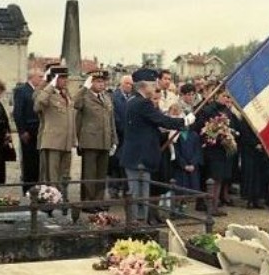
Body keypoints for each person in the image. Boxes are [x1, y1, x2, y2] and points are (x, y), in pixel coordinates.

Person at [120, 68, 195, 224]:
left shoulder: (133, 101)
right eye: (152, 84)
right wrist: (184, 121)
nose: (155, 87)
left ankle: (137, 223)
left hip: (135, 156)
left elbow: (149, 127)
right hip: (139, 158)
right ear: (144, 85)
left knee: (139, 193)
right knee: (139, 194)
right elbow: (161, 120)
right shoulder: (142, 103)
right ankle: (136, 226)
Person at [34, 64, 76, 216]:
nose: (65, 81)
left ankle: (62, 200)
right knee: (51, 176)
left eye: (66, 78)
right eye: (62, 78)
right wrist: (49, 86)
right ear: (54, 79)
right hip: (52, 141)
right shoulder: (47, 94)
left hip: (66, 142)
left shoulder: (67, 95)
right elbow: (38, 105)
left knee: (65, 175)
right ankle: (50, 205)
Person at [74, 69, 117, 215]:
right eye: (98, 81)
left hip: (105, 140)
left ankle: (98, 201)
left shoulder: (106, 97)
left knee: (101, 174)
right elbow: (75, 104)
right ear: (91, 82)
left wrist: (114, 139)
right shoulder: (84, 96)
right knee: (89, 173)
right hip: (90, 140)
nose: (101, 84)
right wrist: (84, 87)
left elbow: (111, 121)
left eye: (103, 81)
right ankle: (87, 202)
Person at [13, 68, 44, 193]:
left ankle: (37, 187)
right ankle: (28, 189)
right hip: (28, 131)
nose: (42, 79)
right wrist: (22, 131)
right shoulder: (22, 91)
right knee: (28, 161)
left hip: (39, 130)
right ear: (32, 77)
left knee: (37, 161)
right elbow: (18, 113)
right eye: (40, 77)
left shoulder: (40, 91)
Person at [108, 75, 133, 198]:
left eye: (131, 84)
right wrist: (123, 129)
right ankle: (114, 188)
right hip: (119, 135)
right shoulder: (115, 97)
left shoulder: (133, 97)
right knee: (115, 163)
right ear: (121, 84)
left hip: (130, 137)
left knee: (126, 164)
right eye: (127, 83)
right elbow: (114, 117)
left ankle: (125, 188)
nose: (129, 86)